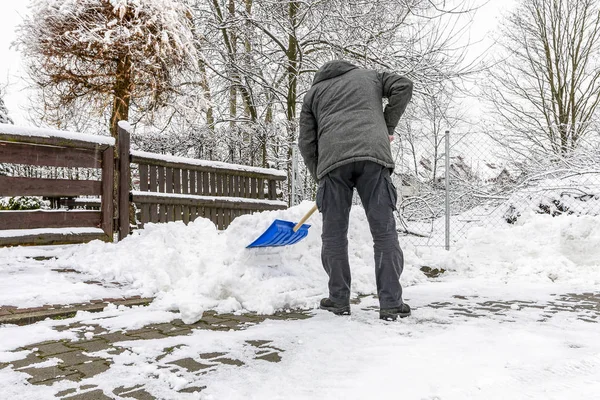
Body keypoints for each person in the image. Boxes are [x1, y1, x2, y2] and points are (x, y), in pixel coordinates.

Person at [298, 60, 413, 321]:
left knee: (334, 236)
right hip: (374, 157)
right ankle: (391, 304)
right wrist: (387, 126)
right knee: (383, 232)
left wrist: (320, 174)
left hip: (332, 164)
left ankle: (338, 300)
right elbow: (403, 86)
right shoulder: (371, 76)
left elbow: (306, 141)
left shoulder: (313, 94)